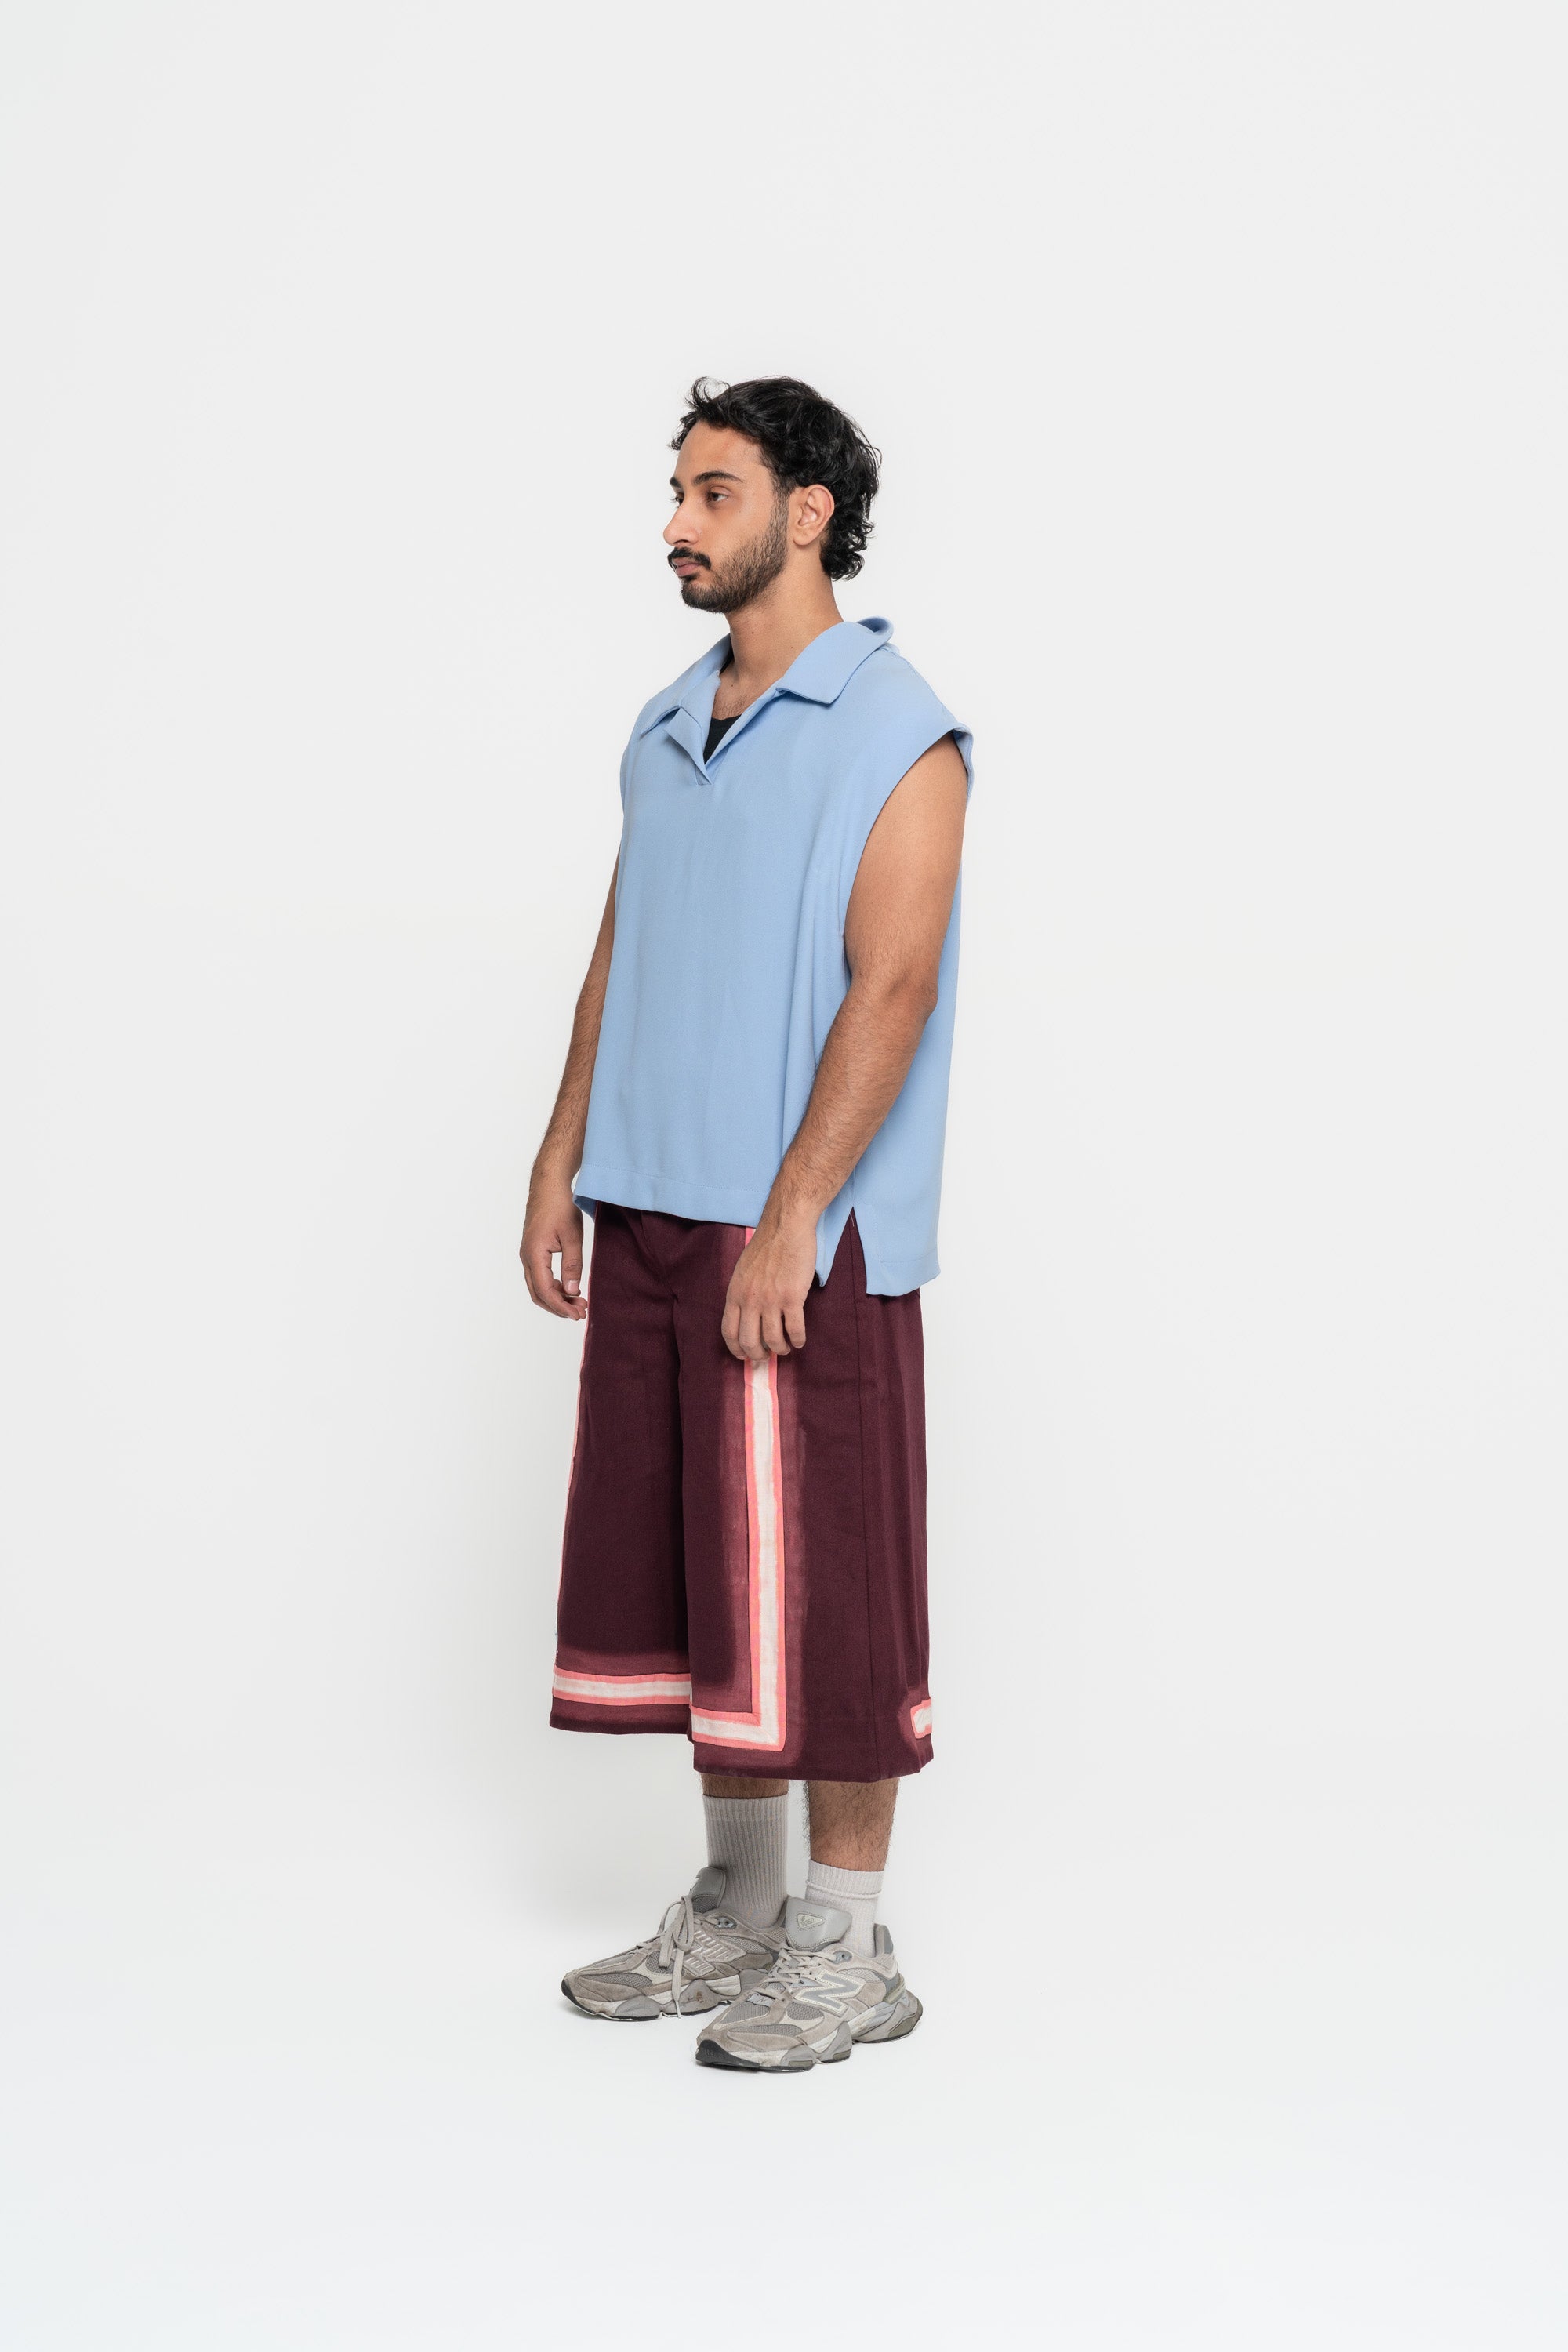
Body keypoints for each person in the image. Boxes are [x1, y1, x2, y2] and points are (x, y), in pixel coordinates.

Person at [519, 376, 971, 2072]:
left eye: (712, 492)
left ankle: (845, 1946)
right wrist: (564, 1151)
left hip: (799, 1239)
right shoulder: (663, 723)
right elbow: (623, 944)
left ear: (806, 512)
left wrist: (794, 1219)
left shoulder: (896, 726)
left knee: (828, 1584)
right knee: (707, 1581)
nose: (676, 525)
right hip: (649, 1207)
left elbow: (894, 984)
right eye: (677, 492)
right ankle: (740, 1903)